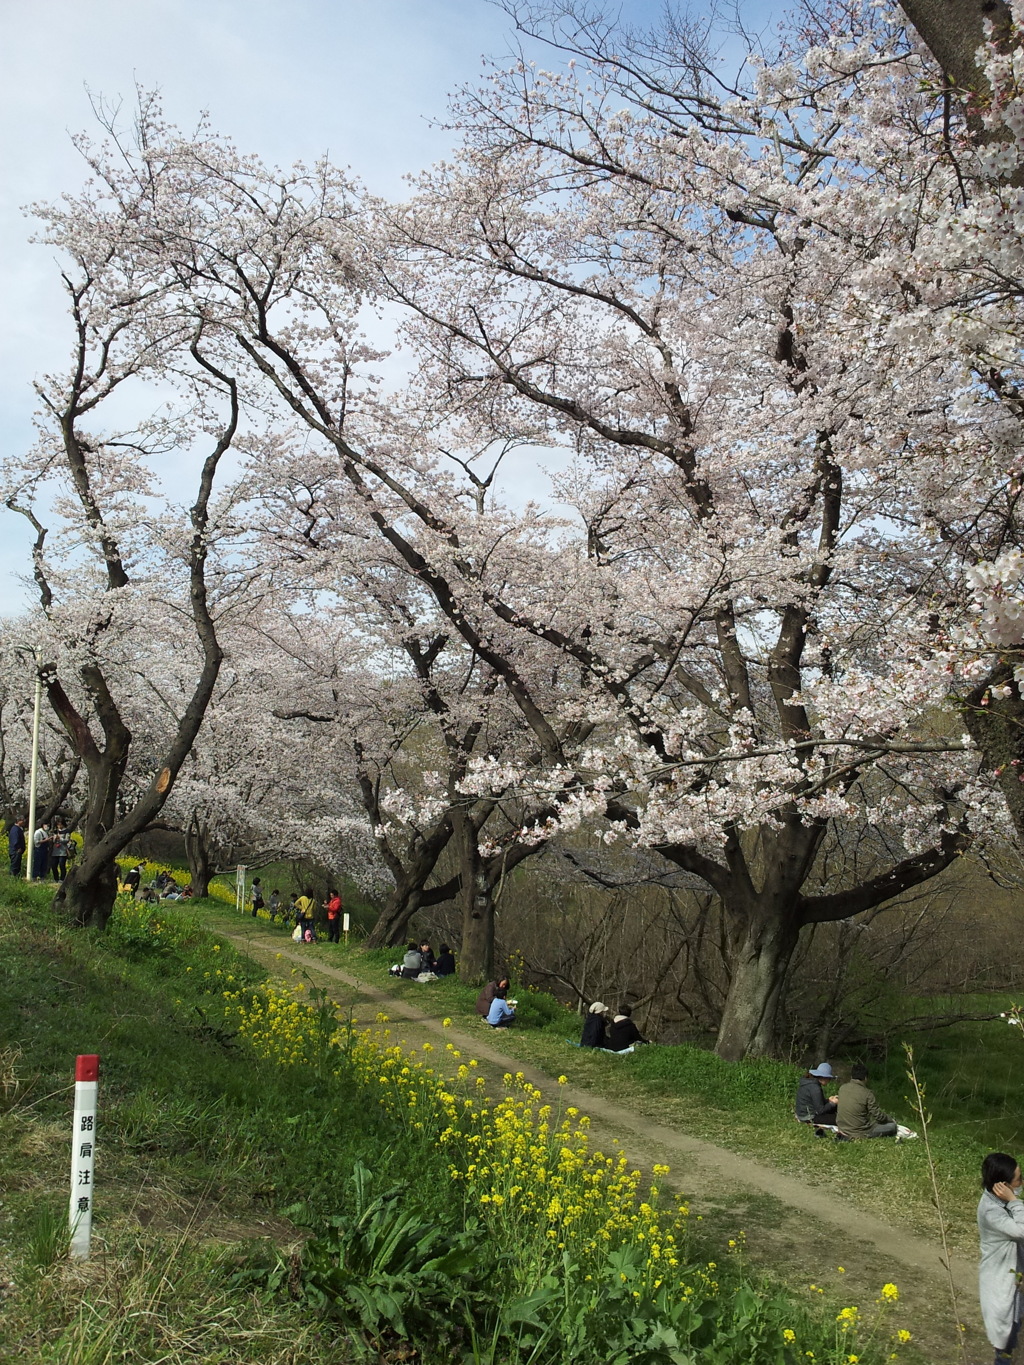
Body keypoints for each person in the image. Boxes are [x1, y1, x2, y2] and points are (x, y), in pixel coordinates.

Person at [979, 1152, 1024, 1364]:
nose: (1022, 1183)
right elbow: (1022, 1230)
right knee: (1005, 1347)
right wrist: (1014, 1200)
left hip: (1015, 1284)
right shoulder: (991, 1211)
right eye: (1019, 1179)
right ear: (1004, 1186)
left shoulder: (999, 1203)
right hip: (1000, 1285)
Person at [835, 1063, 897, 1140]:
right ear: (865, 1078)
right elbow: (878, 1116)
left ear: (851, 1076)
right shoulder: (867, 1093)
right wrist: (890, 1119)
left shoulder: (842, 1088)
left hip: (842, 1128)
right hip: (860, 1132)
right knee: (892, 1126)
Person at [795, 1063, 839, 1128]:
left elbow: (816, 1102)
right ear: (824, 1077)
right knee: (839, 1119)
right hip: (808, 1117)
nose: (829, 1081)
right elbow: (820, 1110)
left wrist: (828, 1100)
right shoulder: (815, 1088)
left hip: (803, 1113)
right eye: (829, 1079)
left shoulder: (809, 1083)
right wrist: (832, 1103)